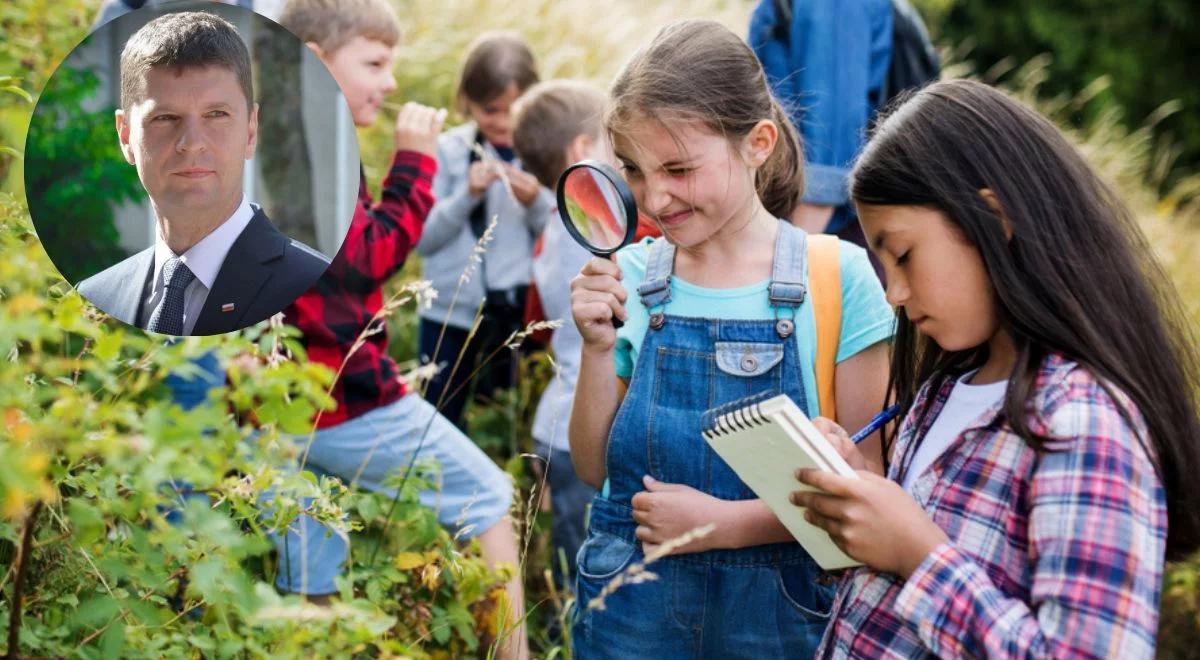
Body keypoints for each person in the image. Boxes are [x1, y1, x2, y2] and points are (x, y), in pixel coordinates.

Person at [789, 79, 1200, 658]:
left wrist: (919, 554)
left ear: (994, 216)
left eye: (903, 254)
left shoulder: (1082, 421)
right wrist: (863, 499)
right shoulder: (941, 393)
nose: (895, 294)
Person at [567, 20, 894, 657]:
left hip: (779, 617)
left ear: (758, 143)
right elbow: (592, 467)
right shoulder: (631, 276)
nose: (655, 197)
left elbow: (869, 482)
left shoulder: (837, 276)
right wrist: (597, 348)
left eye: (680, 168)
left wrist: (722, 525)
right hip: (631, 608)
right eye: (634, 170)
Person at [275, 1, 528, 656]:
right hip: (342, 396)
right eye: (376, 62)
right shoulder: (313, 147)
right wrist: (413, 163)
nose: (390, 83)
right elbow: (365, 261)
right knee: (491, 498)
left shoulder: (278, 135)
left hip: (285, 404)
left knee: (312, 571)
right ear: (314, 60)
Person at [77, 11, 329, 336]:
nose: (192, 143)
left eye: (216, 114)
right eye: (166, 118)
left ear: (251, 130)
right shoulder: (92, 300)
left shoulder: (315, 289)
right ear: (125, 136)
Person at [511, 79, 662, 592]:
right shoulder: (606, 230)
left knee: (571, 556)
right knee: (591, 572)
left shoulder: (554, 228)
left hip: (554, 418)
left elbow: (536, 318)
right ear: (581, 151)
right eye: (614, 148)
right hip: (585, 429)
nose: (625, 165)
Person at [415, 32, 550, 430]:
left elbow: (562, 236)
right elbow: (424, 239)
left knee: (517, 422)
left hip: (519, 314)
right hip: (449, 315)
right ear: (467, 103)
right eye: (491, 111)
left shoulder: (545, 153)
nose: (505, 124)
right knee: (436, 421)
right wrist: (466, 195)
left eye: (516, 109)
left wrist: (536, 203)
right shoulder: (447, 151)